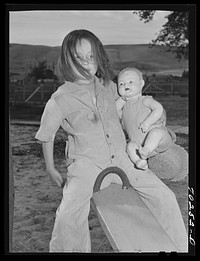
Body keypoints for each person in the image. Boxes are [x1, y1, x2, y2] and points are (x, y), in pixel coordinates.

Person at [35, 29, 188, 252]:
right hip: (87, 164)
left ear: (99, 57)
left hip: (124, 159)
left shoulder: (109, 87)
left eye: (91, 56)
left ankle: (175, 248)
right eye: (79, 57)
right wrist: (50, 168)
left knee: (164, 196)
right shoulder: (60, 99)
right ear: (68, 60)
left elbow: (132, 103)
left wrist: (155, 116)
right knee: (68, 213)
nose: (87, 63)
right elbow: (46, 136)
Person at [116, 67, 176, 170]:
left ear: (142, 83)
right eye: (121, 84)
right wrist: (121, 100)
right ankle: (139, 161)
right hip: (139, 146)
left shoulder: (144, 100)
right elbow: (114, 111)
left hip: (159, 141)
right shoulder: (124, 110)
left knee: (156, 133)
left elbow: (158, 108)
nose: (126, 85)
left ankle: (146, 150)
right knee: (130, 146)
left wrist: (147, 123)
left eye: (131, 81)